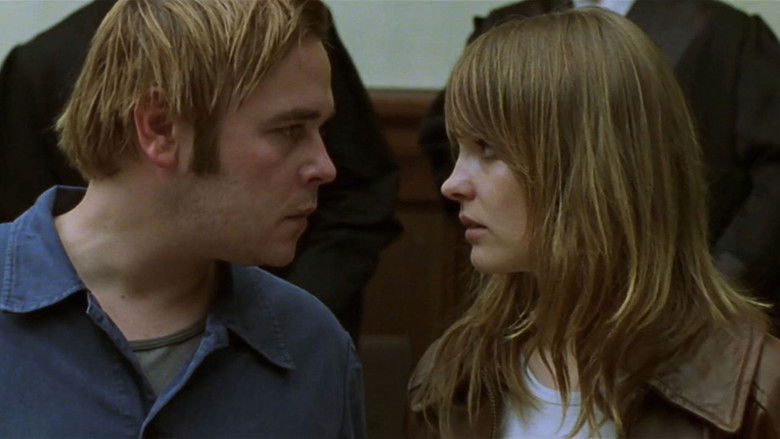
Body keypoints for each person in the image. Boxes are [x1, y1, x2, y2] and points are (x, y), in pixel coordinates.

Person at [406, 8, 780, 438]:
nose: (452, 184)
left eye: (488, 148)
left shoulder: (757, 393)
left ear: (588, 170)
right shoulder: (450, 378)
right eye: (458, 150)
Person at [0, 0, 364, 437]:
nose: (325, 167)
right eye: (289, 130)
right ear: (161, 128)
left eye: (321, 131)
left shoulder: (313, 348)